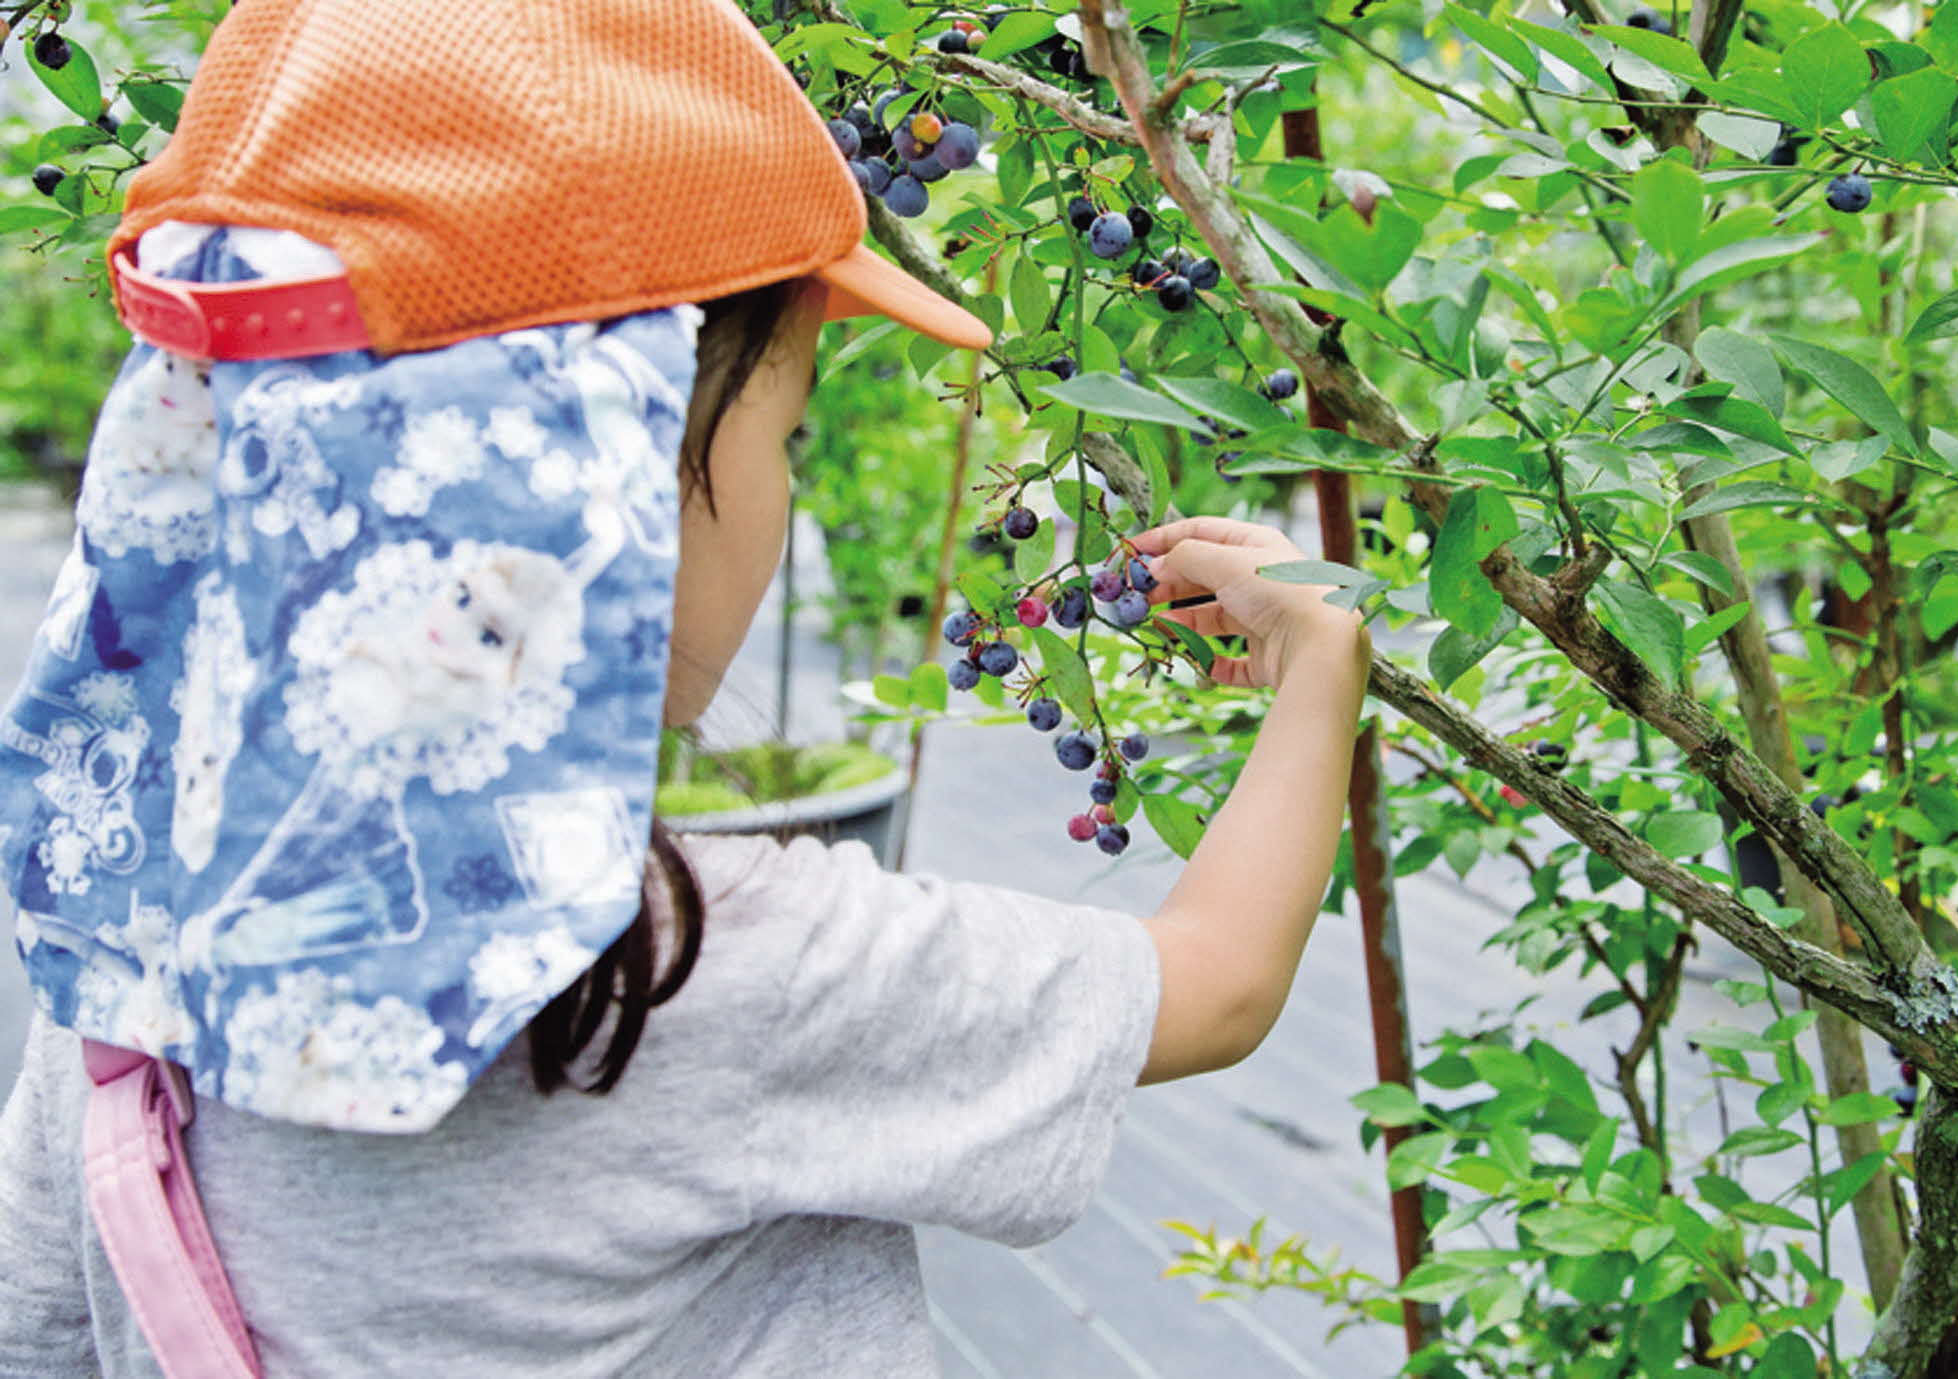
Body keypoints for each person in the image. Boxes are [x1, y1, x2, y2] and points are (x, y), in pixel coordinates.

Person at [0, 1, 1371, 1375]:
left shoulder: (127, 941)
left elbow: (44, 1325)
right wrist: (1317, 659)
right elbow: (1212, 986)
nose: (787, 487)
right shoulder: (701, 975)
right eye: (783, 428)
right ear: (606, 482)